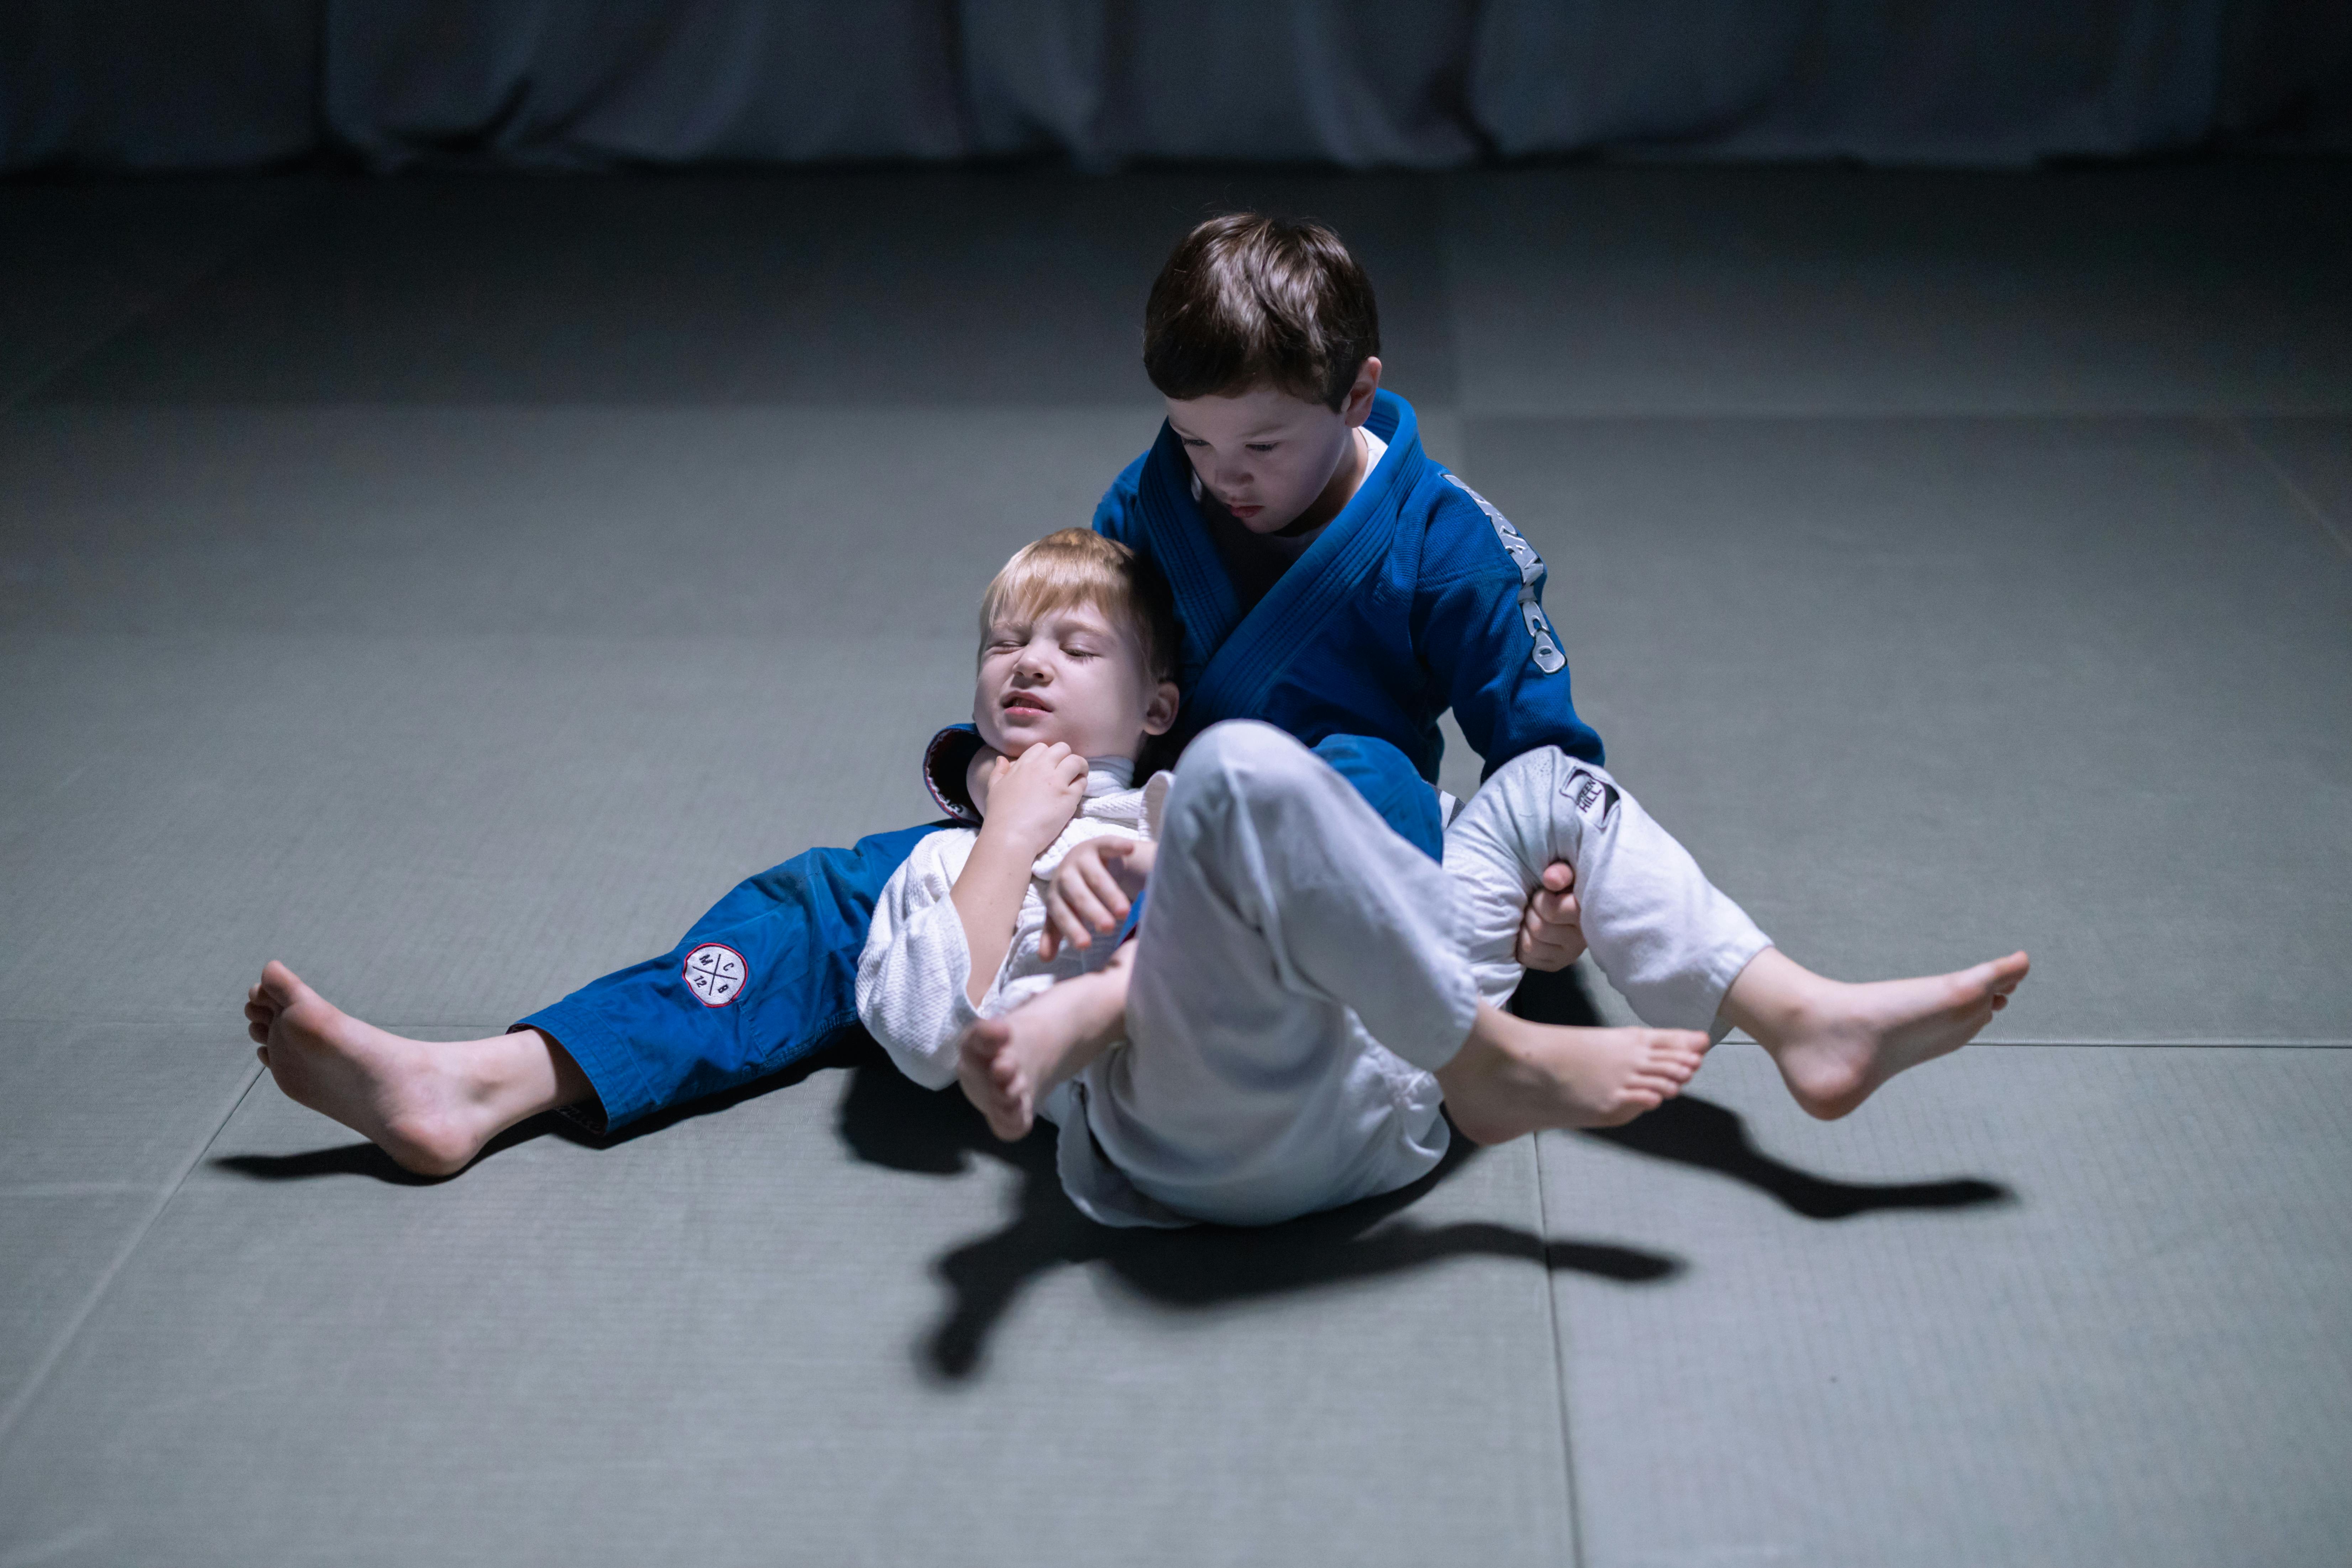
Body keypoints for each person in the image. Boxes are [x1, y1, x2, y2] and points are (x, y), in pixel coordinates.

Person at [240, 213, 1728, 1174]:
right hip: (1112, 816)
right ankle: (498, 1078)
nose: (1222, 482)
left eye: (1258, 448)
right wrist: (1011, 790)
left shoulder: (1447, 542)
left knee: (1362, 771)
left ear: (1357, 396)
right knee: (821, 900)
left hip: (1324, 849)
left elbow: (1542, 767)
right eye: (1194, 445)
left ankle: (1118, 997)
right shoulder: (1154, 500)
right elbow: (1084, 659)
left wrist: (1551, 905)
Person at [865, 528, 2026, 1228]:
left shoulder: (1185, 797)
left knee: (1540, 788)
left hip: (1386, 1092)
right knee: (1238, 777)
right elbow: (924, 1035)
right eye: (1004, 646)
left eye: (1074, 648)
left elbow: (1400, 881)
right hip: (1205, 1130)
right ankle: (1491, 1062)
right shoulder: (944, 862)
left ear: (1154, 705)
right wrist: (1010, 842)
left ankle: (1802, 1017)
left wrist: (1536, 927)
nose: (1028, 664)